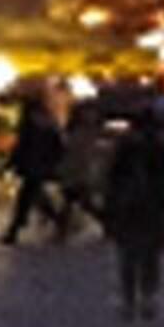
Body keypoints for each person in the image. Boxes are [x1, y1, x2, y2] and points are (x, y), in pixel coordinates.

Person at [102, 108, 164, 322]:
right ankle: (148, 296)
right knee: (150, 254)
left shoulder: (125, 148)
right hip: (154, 204)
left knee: (128, 254)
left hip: (128, 205)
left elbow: (113, 177)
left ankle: (129, 299)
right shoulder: (163, 148)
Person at [0, 90, 64, 244]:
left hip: (32, 165)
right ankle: (57, 220)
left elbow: (22, 146)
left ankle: (13, 231)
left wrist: (11, 162)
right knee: (33, 195)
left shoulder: (29, 124)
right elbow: (57, 145)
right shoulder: (49, 123)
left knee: (26, 197)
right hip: (39, 165)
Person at [55, 98, 105, 242]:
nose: (90, 115)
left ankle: (62, 231)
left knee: (76, 200)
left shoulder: (91, 131)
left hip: (82, 169)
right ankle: (107, 223)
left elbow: (87, 152)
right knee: (76, 200)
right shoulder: (77, 130)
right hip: (74, 168)